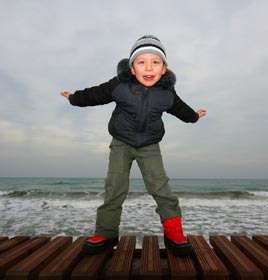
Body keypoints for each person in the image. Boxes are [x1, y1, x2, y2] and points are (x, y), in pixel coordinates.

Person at [61, 35, 206, 257]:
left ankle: (174, 233)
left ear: (164, 69)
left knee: (161, 188)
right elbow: (95, 94)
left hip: (150, 146)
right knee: (115, 187)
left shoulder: (167, 93)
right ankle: (106, 233)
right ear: (132, 68)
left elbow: (181, 110)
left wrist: (194, 116)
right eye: (141, 62)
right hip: (121, 143)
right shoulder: (119, 85)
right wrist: (74, 98)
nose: (149, 67)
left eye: (155, 62)